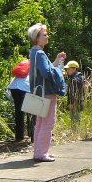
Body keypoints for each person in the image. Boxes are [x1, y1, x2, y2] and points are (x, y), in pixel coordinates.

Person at [27, 23, 66, 162]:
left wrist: (56, 61)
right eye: (44, 34)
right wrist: (59, 70)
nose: (47, 36)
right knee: (48, 123)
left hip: (38, 92)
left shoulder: (34, 52)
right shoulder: (40, 53)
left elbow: (46, 69)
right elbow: (46, 72)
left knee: (40, 122)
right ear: (36, 38)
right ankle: (42, 153)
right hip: (47, 92)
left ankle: (38, 151)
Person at [6, 59, 35, 142]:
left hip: (14, 87)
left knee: (19, 112)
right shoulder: (34, 67)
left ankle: (19, 136)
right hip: (25, 88)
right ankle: (33, 136)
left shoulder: (23, 66)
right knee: (31, 112)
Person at [65, 60, 85, 127]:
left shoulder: (74, 79)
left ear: (74, 69)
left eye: (69, 69)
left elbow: (74, 92)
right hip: (80, 101)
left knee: (75, 119)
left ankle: (75, 133)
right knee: (76, 118)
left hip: (75, 103)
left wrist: (72, 103)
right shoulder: (80, 77)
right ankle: (75, 132)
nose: (67, 70)